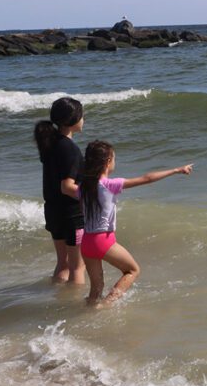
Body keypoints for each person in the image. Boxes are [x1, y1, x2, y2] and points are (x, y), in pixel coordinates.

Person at [78, 140, 192, 307]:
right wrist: (176, 170)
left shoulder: (83, 187)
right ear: (108, 162)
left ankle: (89, 313)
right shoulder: (110, 185)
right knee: (133, 270)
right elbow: (147, 178)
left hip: (87, 241)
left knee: (96, 288)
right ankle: (107, 305)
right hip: (103, 241)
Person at [34, 97, 86, 284]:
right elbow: (67, 187)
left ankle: (57, 299)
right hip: (71, 214)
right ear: (72, 120)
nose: (83, 119)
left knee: (63, 264)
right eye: (82, 115)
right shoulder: (69, 148)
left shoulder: (51, 144)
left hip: (53, 211)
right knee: (78, 266)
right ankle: (72, 309)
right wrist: (92, 197)